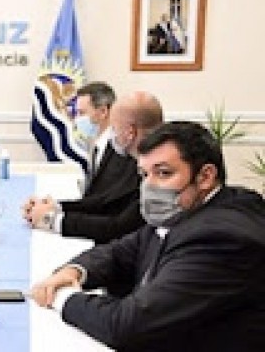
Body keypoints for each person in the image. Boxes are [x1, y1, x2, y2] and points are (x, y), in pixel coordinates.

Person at [29, 121, 265, 349]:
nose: (149, 187)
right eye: (144, 175)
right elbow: (119, 251)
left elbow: (126, 327)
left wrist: (61, 296)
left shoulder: (222, 239)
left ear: (205, 177)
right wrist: (74, 272)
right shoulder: (186, 211)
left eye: (163, 173)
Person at [29, 90, 164, 246]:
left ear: (130, 132)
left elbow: (118, 227)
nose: (111, 135)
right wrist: (55, 207)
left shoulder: (155, 171)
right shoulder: (134, 157)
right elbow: (106, 200)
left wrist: (51, 220)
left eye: (114, 128)